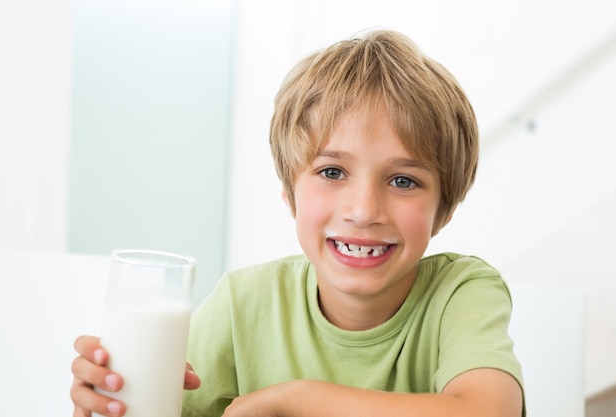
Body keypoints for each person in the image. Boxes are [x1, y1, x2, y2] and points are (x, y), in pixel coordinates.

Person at [71, 29, 525, 417]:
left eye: (403, 180)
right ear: (289, 192)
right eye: (332, 172)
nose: (364, 210)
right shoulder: (242, 305)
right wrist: (109, 403)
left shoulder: (462, 293)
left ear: (443, 210)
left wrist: (296, 398)